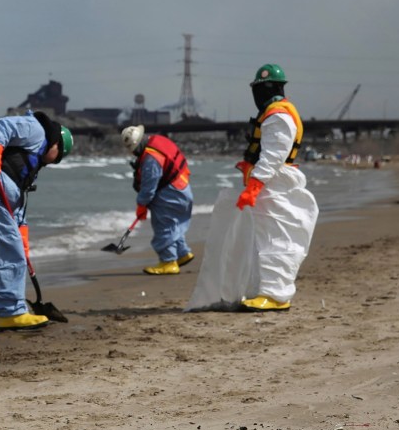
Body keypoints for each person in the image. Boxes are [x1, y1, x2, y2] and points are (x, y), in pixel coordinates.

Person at [186, 64, 318, 312]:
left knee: (274, 238)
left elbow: (273, 155)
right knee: (263, 239)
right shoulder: (274, 113)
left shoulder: (277, 115)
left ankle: (276, 296)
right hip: (271, 182)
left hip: (274, 183)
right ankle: (265, 292)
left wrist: (255, 185)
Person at [0, 110, 73, 331]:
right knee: (8, 250)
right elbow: (4, 126)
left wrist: (22, 235)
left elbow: (17, 204)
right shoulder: (37, 130)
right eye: (59, 157)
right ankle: (11, 311)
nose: (54, 163)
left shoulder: (32, 158)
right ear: (57, 145)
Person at [120, 125, 194, 275]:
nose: (134, 153)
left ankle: (168, 262)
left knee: (164, 225)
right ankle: (182, 253)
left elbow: (149, 187)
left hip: (171, 192)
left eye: (133, 149)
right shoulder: (157, 140)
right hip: (182, 188)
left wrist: (141, 205)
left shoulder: (151, 159)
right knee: (173, 223)